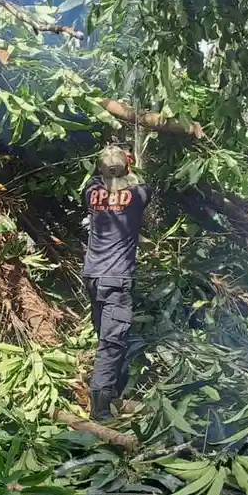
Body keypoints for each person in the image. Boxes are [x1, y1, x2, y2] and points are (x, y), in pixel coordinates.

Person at [83, 145, 151, 422]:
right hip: (116, 280)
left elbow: (97, 180)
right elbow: (141, 184)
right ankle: (100, 409)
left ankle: (112, 394)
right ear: (127, 168)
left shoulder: (90, 193)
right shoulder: (137, 195)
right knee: (112, 344)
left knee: (106, 337)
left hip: (93, 276)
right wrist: (130, 166)